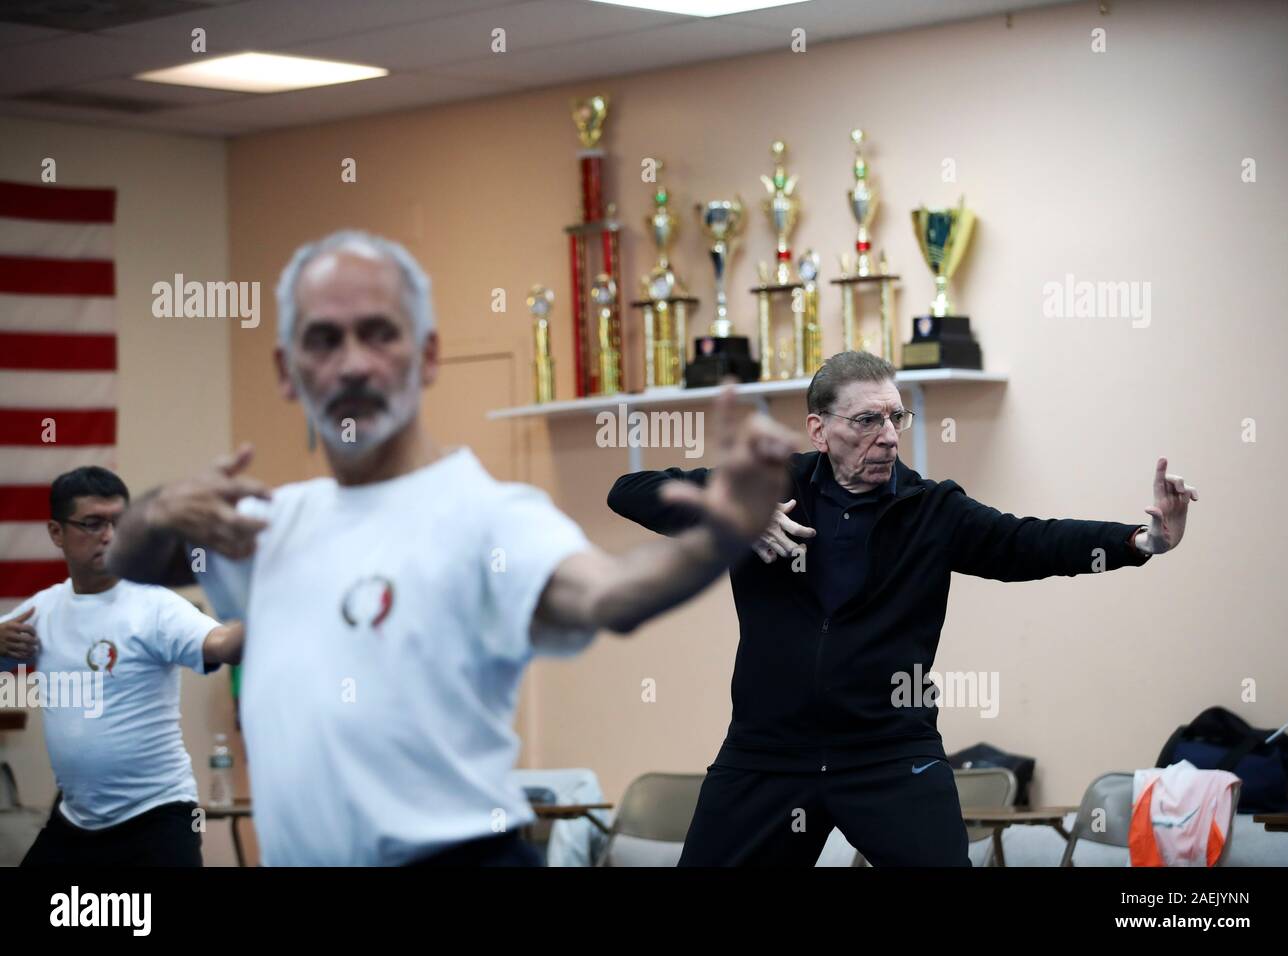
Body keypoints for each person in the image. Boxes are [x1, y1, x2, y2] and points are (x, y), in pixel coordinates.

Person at [106, 229, 798, 866]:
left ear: (428, 354)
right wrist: (161, 509)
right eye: (324, 340)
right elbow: (128, 562)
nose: (352, 364)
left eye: (379, 334)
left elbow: (610, 595)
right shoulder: (266, 525)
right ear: (288, 369)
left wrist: (716, 541)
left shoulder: (491, 519)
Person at [607, 349, 1199, 866]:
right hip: (768, 753)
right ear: (819, 429)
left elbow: (1026, 540)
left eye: (895, 417)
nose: (887, 435)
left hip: (888, 753)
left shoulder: (932, 510)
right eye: (866, 420)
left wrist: (1139, 542)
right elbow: (629, 492)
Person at [0, 466, 244, 866]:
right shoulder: (42, 610)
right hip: (76, 819)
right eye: (93, 523)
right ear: (56, 533)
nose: (109, 536)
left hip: (158, 815)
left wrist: (269, 611)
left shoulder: (154, 605)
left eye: (118, 522)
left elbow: (221, 644)